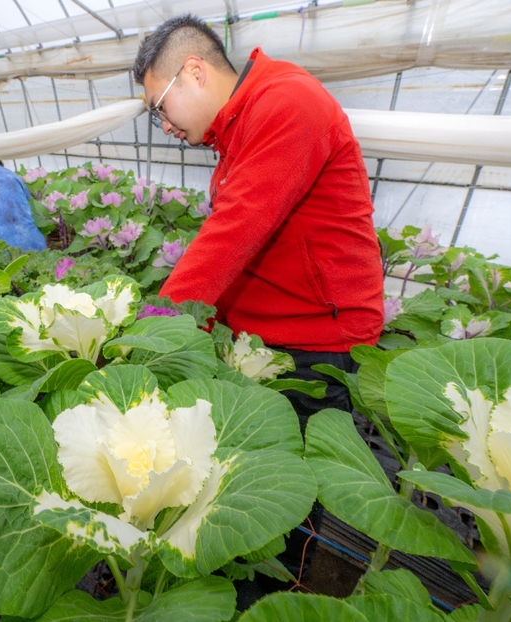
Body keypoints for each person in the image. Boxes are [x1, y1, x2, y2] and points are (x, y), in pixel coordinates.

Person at [134, 13, 384, 602]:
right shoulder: (243, 124)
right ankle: (246, 581)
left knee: (283, 492)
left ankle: (277, 598)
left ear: (193, 71)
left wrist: (151, 329)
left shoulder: (287, 102)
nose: (162, 124)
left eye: (158, 106)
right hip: (268, 336)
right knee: (249, 479)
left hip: (319, 340)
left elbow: (233, 233)